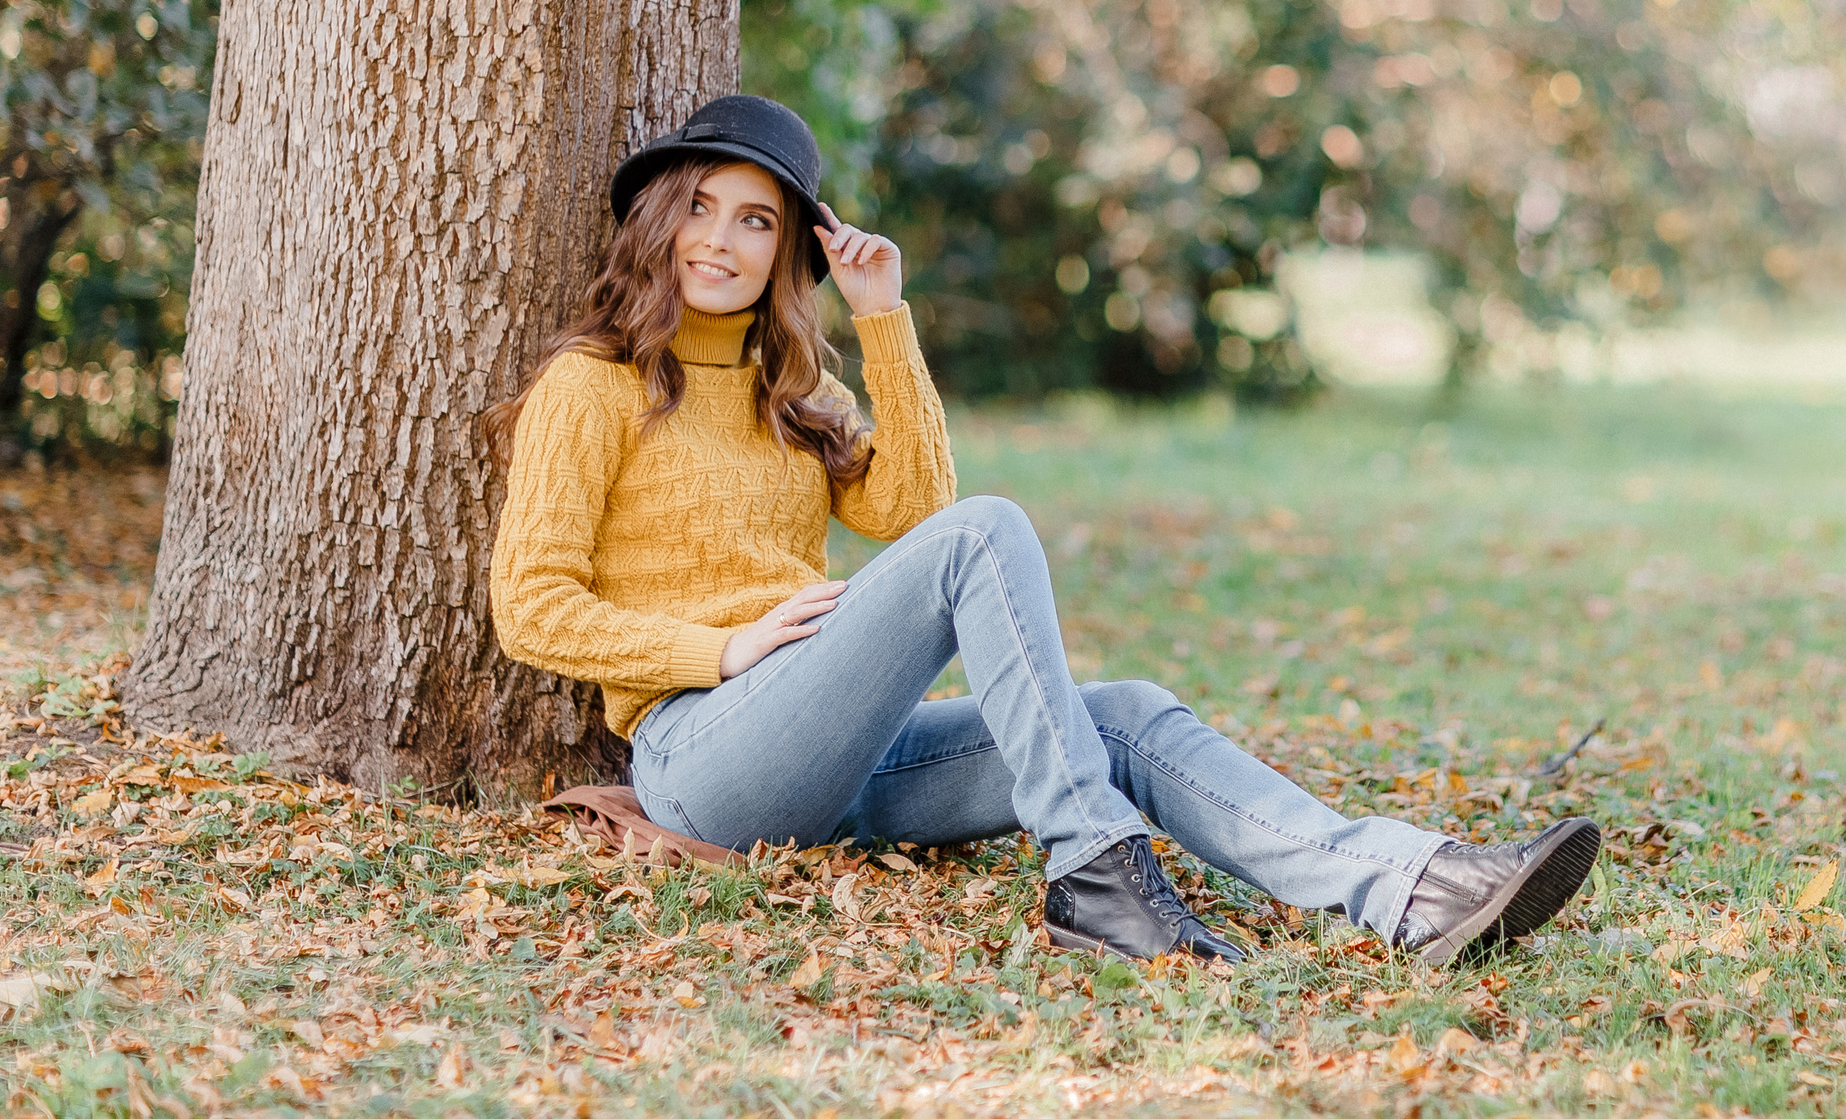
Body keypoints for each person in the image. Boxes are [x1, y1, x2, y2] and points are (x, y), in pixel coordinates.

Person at [486, 95, 1599, 966]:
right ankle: (1095, 868)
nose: (719, 241)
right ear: (657, 215)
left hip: (839, 757)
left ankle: (1413, 889)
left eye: (756, 220)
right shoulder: (594, 386)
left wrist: (883, 322)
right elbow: (530, 606)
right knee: (989, 533)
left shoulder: (785, 398)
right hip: (706, 754)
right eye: (699, 207)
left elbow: (912, 512)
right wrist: (718, 650)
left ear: (789, 253)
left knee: (1126, 715)